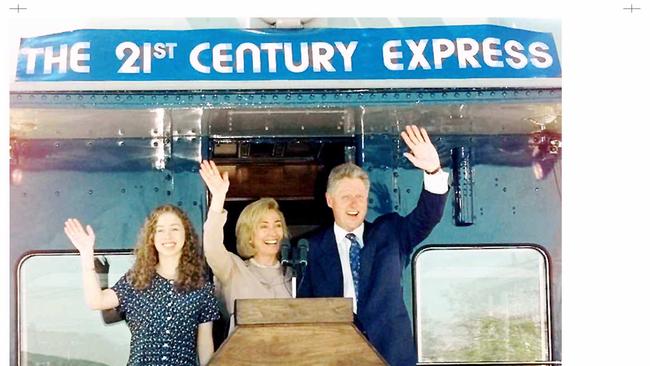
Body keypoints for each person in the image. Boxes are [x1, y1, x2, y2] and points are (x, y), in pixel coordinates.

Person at [297, 125, 449, 366]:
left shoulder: (390, 232)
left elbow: (427, 216)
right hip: (333, 357)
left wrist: (433, 170)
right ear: (330, 200)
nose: (354, 203)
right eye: (346, 196)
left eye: (360, 196)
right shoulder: (309, 248)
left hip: (390, 355)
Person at [64, 205, 219, 366]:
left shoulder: (201, 286)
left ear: (186, 234)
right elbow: (97, 301)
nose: (168, 236)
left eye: (174, 229)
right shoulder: (137, 280)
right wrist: (86, 254)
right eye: (160, 230)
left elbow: (205, 344)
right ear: (151, 237)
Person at [199, 160, 293, 334]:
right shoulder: (234, 269)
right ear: (249, 236)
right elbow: (211, 246)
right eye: (263, 226)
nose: (273, 232)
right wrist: (218, 198)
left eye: (278, 225)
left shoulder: (294, 274)